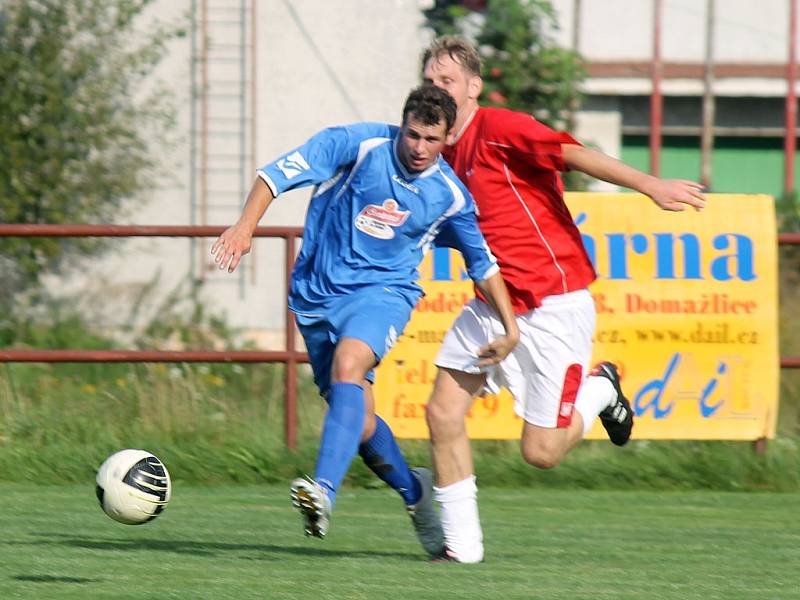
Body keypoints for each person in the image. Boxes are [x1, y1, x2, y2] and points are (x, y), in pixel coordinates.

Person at [420, 36, 707, 563]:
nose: (437, 89)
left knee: (541, 453)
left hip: (555, 303)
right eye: (431, 80)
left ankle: (601, 388)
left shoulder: (501, 128)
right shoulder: (433, 150)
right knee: (442, 413)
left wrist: (649, 185)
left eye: (448, 81)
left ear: (473, 88)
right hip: (494, 305)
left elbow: (571, 153)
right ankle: (462, 548)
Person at [210, 84, 519, 557]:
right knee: (363, 421)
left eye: (431, 140)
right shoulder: (356, 145)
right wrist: (244, 225)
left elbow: (483, 263)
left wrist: (510, 327)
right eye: (412, 135)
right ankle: (415, 494)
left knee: (350, 365)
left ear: (448, 139)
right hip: (316, 295)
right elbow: (275, 175)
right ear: (402, 124)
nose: (418, 148)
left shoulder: (449, 196)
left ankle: (323, 491)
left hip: (385, 294)